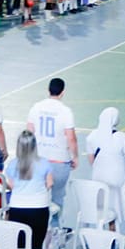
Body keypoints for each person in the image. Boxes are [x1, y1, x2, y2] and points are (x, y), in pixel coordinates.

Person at [3, 129, 52, 249]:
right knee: (36, 244)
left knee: (19, 244)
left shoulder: (12, 164)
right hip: (39, 208)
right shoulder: (44, 163)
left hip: (17, 208)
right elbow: (49, 184)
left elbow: (11, 185)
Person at [25, 75, 77, 206]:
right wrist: (75, 156)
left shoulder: (36, 107)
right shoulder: (65, 111)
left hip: (39, 158)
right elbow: (71, 137)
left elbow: (29, 132)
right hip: (59, 160)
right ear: (63, 92)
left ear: (48, 90)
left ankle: (38, 217)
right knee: (58, 197)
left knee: (37, 194)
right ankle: (55, 219)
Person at [86, 106, 125, 226]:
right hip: (116, 179)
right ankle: (113, 231)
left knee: (101, 205)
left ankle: (100, 229)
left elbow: (91, 160)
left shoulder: (92, 136)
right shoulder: (120, 137)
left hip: (98, 177)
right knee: (115, 205)